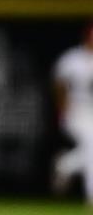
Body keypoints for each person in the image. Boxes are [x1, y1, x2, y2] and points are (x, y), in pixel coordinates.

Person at [52, 21, 93, 205]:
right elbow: (59, 84)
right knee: (92, 144)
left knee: (91, 148)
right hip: (76, 111)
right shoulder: (73, 58)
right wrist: (62, 108)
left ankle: (66, 164)